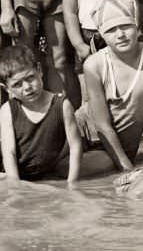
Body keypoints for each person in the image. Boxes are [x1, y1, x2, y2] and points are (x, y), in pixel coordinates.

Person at [81, 0, 143, 193]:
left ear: (138, 28)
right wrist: (126, 167)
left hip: (121, 149)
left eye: (126, 26)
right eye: (111, 30)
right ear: (101, 35)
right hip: (90, 141)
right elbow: (102, 125)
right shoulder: (94, 65)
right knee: (104, 167)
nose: (120, 34)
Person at [0, 45, 106, 187]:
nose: (27, 87)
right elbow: (9, 152)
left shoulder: (61, 105)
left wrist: (72, 183)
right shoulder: (8, 110)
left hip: (50, 169)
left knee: (107, 161)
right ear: (6, 88)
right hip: (16, 172)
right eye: (17, 84)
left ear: (39, 70)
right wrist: (16, 186)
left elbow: (75, 146)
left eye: (30, 78)